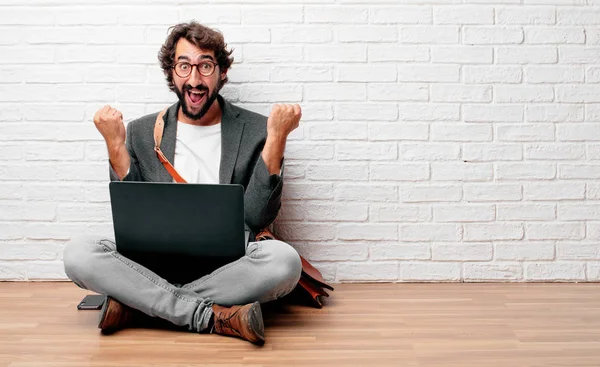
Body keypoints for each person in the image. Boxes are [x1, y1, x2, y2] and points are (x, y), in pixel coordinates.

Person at [62, 21, 303, 345]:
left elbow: (256, 218)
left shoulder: (259, 129)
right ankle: (210, 315)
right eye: (184, 66)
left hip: (229, 266)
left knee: (285, 261)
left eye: (205, 65)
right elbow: (133, 213)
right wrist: (115, 147)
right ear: (171, 72)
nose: (194, 79)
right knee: (78, 253)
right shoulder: (140, 131)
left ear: (221, 71)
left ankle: (138, 306)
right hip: (151, 262)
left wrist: (277, 140)